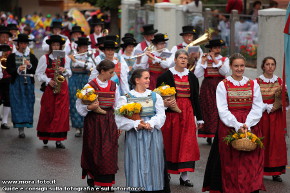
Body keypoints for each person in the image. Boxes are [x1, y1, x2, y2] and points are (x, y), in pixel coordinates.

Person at [202, 53, 265, 193]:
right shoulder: (223, 85)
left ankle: (250, 188)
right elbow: (222, 109)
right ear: (230, 66)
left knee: (251, 160)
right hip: (229, 126)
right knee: (231, 161)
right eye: (236, 66)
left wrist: (247, 124)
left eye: (242, 65)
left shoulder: (253, 84)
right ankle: (231, 188)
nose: (239, 68)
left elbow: (257, 106)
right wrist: (237, 125)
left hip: (251, 125)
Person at [115, 69, 170, 192]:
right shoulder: (126, 98)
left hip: (152, 135)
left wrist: (151, 123)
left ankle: (153, 188)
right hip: (135, 136)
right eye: (146, 78)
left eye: (149, 78)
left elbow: (161, 115)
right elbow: (118, 120)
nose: (148, 80)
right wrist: (135, 124)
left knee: (154, 163)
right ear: (137, 80)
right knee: (135, 163)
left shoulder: (155, 96)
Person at [157, 49, 203, 187]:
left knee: (187, 144)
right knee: (171, 141)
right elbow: (158, 97)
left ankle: (184, 176)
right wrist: (163, 110)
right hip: (171, 114)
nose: (183, 60)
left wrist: (199, 118)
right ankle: (168, 173)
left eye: (185, 58)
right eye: (181, 58)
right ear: (175, 59)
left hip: (187, 113)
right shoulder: (165, 76)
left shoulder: (192, 77)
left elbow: (195, 98)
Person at [76, 59, 119, 190]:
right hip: (94, 122)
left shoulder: (114, 86)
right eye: (110, 72)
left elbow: (117, 105)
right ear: (102, 71)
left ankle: (106, 181)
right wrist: (89, 107)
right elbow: (79, 106)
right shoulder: (90, 86)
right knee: (93, 149)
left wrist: (119, 124)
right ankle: (92, 174)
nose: (112, 75)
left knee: (109, 150)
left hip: (109, 121)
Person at [35, 35, 72, 149]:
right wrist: (48, 80)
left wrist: (64, 70)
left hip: (62, 88)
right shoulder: (44, 58)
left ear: (61, 46)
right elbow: (38, 74)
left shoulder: (65, 58)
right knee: (48, 111)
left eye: (58, 45)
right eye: (54, 45)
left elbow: (69, 73)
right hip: (50, 87)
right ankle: (45, 135)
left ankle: (58, 140)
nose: (56, 47)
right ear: (51, 46)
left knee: (61, 113)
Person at [256, 57, 288, 182]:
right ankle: (259, 169)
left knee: (276, 143)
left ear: (275, 66)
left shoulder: (280, 81)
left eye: (272, 64)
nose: (270, 67)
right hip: (262, 116)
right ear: (263, 66)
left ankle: (276, 171)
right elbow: (255, 100)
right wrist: (268, 107)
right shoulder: (256, 82)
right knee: (262, 141)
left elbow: (286, 100)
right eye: (267, 64)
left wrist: (282, 101)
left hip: (276, 118)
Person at [195, 39, 229, 144]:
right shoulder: (204, 58)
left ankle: (219, 133)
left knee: (220, 108)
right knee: (208, 109)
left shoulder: (224, 59)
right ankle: (209, 133)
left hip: (220, 86)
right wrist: (203, 62)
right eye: (215, 48)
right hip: (207, 87)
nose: (217, 49)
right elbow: (197, 74)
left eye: (218, 47)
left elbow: (225, 71)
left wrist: (215, 59)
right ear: (211, 48)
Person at [6, 34, 38, 138]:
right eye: (22, 43)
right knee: (18, 103)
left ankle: (26, 123)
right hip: (16, 83)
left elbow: (35, 70)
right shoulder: (12, 56)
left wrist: (29, 66)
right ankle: (20, 129)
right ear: (18, 44)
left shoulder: (31, 56)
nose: (24, 45)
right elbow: (9, 69)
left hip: (28, 82)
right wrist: (17, 70)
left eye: (25, 43)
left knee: (28, 103)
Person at [69, 37, 94, 137]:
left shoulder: (89, 57)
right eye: (83, 47)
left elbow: (89, 66)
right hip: (74, 80)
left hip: (85, 80)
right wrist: (74, 60)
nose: (85, 49)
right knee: (75, 103)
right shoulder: (72, 55)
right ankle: (78, 128)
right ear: (78, 48)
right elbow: (69, 67)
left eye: (86, 47)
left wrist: (77, 62)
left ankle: (86, 126)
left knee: (87, 103)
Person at [0, 26, 14, 130]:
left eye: (6, 37)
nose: (5, 39)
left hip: (7, 76)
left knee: (8, 98)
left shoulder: (11, 48)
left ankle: (4, 121)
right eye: (3, 37)